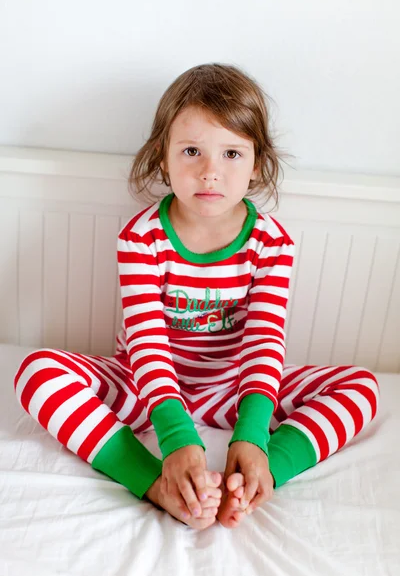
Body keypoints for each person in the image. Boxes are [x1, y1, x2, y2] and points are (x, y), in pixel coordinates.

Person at [14, 63, 380, 531]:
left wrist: (252, 436)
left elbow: (265, 342)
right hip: (144, 388)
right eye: (192, 151)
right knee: (37, 372)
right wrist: (175, 440)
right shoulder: (142, 238)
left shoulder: (271, 242)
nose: (210, 172)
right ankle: (153, 483)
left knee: (361, 387)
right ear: (163, 159)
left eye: (231, 153)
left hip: (233, 387)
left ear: (256, 166)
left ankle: (263, 475)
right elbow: (147, 344)